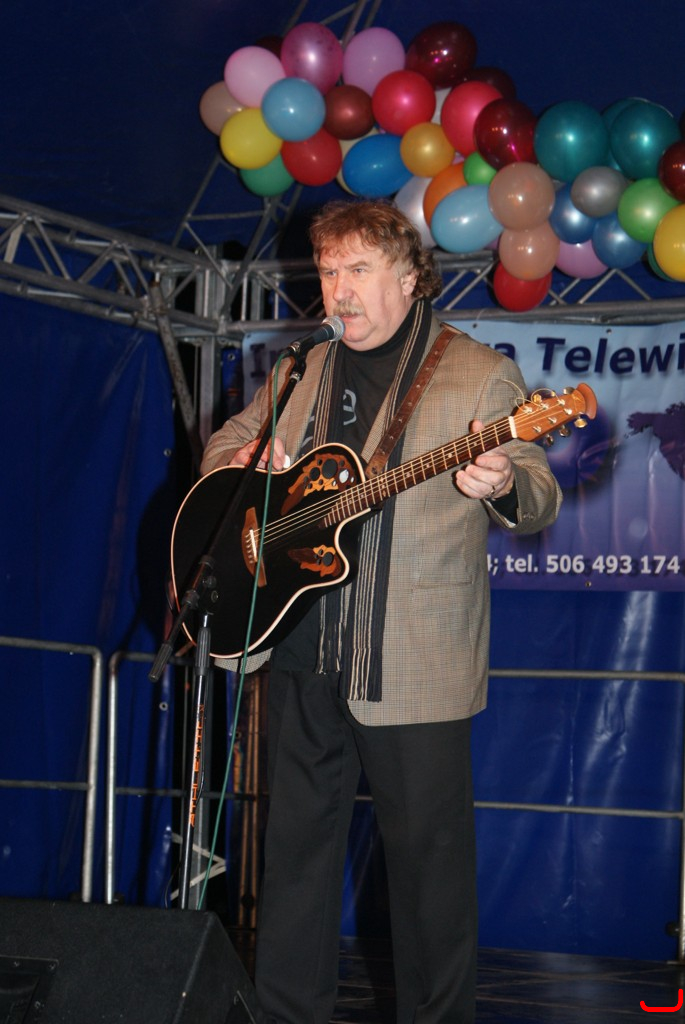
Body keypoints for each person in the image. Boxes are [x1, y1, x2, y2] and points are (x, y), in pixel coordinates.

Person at [200, 199, 562, 1024]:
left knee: (429, 877)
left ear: (409, 278)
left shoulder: (477, 373)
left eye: (358, 270)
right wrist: (247, 460)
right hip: (299, 647)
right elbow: (224, 444)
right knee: (292, 864)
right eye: (328, 272)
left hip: (412, 660)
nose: (338, 291)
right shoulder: (303, 368)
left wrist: (504, 480)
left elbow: (539, 490)